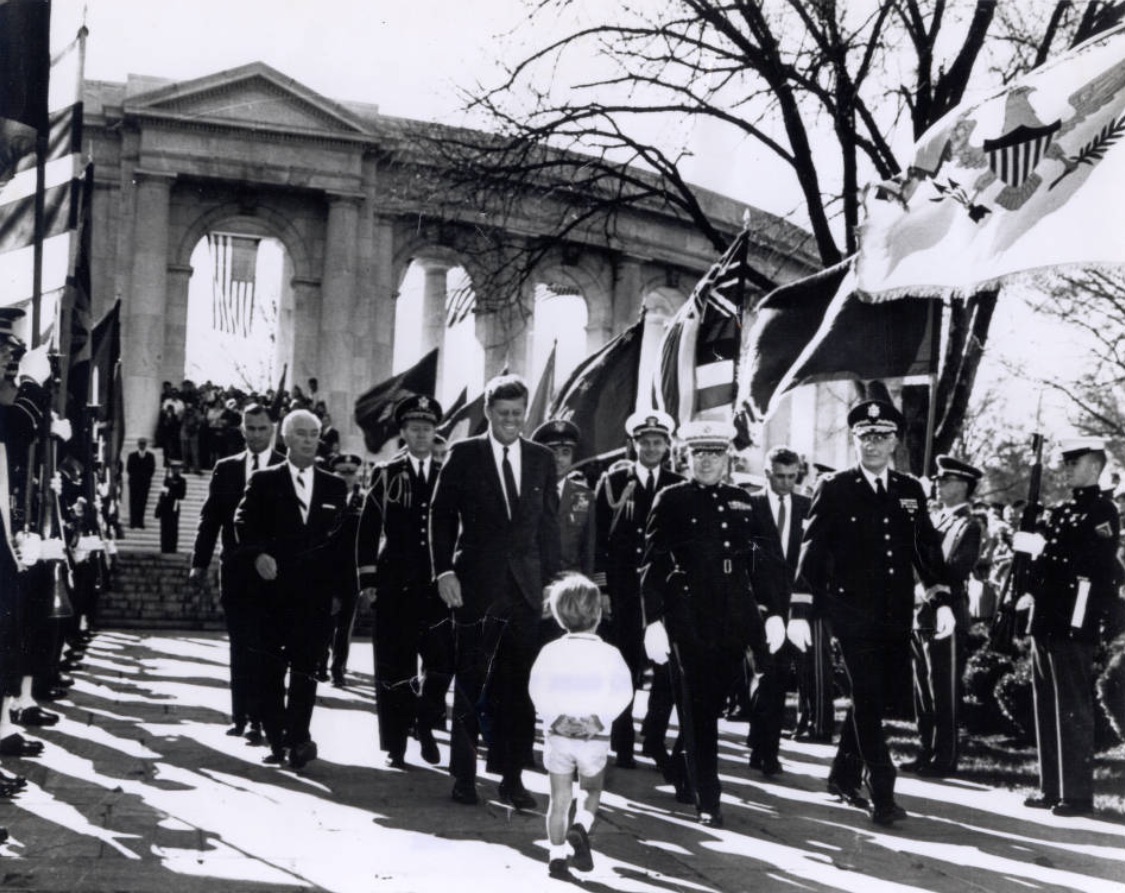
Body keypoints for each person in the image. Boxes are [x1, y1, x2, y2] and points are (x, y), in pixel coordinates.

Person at [790, 399, 953, 826]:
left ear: (895, 441)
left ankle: (842, 775)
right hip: (849, 612)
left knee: (874, 698)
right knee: (865, 693)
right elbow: (813, 551)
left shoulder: (909, 489)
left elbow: (925, 547)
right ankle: (882, 789)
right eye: (866, 436)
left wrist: (940, 597)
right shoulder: (836, 486)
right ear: (855, 439)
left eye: (882, 437)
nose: (874, 445)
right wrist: (800, 610)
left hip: (894, 612)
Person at [641, 420, 785, 826]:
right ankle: (710, 798)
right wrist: (653, 620)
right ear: (686, 457)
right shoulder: (671, 498)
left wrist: (774, 611)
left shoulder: (744, 501)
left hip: (734, 612)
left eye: (714, 454)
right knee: (699, 706)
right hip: (688, 611)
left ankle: (684, 770)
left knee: (712, 702)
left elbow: (763, 561)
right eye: (698, 454)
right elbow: (652, 562)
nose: (706, 462)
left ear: (727, 458)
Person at [430, 374, 560, 808]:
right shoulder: (464, 454)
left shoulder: (541, 458)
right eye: (503, 414)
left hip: (525, 590)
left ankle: (511, 778)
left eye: (518, 415)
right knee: (469, 681)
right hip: (474, 588)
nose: (511, 422)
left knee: (517, 687)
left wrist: (553, 586)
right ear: (487, 412)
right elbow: (441, 516)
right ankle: (464, 776)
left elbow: (549, 527)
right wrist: (443, 570)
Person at [233, 408, 351, 769]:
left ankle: (298, 737)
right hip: (271, 594)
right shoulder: (264, 480)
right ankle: (275, 737)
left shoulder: (335, 485)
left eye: (314, 433)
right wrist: (257, 555)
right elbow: (243, 521)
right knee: (271, 670)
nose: (308, 439)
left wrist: (340, 592)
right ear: (285, 437)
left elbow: (343, 543)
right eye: (300, 433)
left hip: (314, 597)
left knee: (306, 670)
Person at [1016, 437, 1120, 817]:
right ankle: (1051, 787)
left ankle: (1077, 794)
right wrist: (1027, 551)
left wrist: (1044, 551)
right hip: (1046, 615)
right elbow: (1043, 561)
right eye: (1066, 463)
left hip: (1075, 615)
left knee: (1072, 704)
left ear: (1094, 466)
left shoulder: (1103, 511)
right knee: (1046, 702)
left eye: (1074, 463)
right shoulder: (1061, 511)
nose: (1068, 469)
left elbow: (1096, 561)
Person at [358, 396, 452, 768]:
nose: (421, 435)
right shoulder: (386, 472)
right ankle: (395, 745)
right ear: (403, 432)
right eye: (414, 429)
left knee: (442, 661)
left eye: (428, 429)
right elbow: (368, 528)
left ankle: (425, 721)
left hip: (437, 585)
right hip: (395, 582)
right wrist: (368, 579)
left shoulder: (449, 472)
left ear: (435, 432)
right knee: (395, 666)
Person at [188, 403, 285, 744]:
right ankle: (241, 716)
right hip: (236, 572)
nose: (256, 434)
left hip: (275, 574)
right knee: (241, 644)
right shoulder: (226, 468)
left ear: (272, 429)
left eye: (262, 428)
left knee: (268, 646)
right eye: (250, 428)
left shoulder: (286, 467)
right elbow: (210, 518)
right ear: (242, 430)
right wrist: (199, 564)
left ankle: (262, 718)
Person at [594, 410, 682, 771]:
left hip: (664, 591)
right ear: (633, 444)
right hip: (625, 589)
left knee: (666, 667)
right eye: (644, 442)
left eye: (657, 442)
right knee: (624, 666)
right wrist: (602, 589)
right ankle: (623, 739)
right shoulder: (614, 481)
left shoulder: (678, 484)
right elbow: (599, 539)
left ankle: (655, 737)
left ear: (666, 446)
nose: (651, 447)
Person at [529, 573, 632, 880]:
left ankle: (556, 855)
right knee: (590, 789)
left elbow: (537, 688)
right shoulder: (610, 654)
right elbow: (624, 692)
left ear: (559, 617)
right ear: (599, 614)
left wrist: (555, 717)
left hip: (558, 735)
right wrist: (599, 719)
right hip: (593, 735)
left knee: (558, 799)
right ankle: (582, 826)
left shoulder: (550, 652)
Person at [905, 454, 984, 778]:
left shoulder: (969, 525)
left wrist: (927, 584)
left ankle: (945, 756)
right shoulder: (935, 519)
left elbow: (955, 568)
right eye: (938, 481)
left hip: (946, 613)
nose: (938, 485)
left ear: (963, 486)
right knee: (922, 689)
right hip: (922, 612)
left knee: (943, 689)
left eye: (945, 481)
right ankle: (926, 749)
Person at [745, 446, 822, 777]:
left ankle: (764, 746)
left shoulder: (807, 508)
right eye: (780, 476)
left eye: (793, 477)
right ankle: (764, 749)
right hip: (758, 605)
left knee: (776, 678)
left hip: (792, 608)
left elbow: (813, 560)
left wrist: (799, 608)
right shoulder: (749, 506)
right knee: (767, 673)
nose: (787, 483)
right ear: (767, 473)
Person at [320, 452, 365, 688]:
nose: (348, 476)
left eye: (351, 472)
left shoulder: (364, 500)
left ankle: (338, 670)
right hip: (327, 569)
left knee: (345, 624)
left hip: (351, 570)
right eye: (342, 472)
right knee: (325, 619)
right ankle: (321, 663)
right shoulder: (325, 496)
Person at [156, 461, 187, 553]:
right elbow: (163, 493)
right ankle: (164, 547)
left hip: (174, 505)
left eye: (177, 468)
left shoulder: (182, 481)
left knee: (173, 527)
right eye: (173, 468)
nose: (175, 470)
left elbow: (182, 495)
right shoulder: (167, 480)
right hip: (165, 505)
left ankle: (172, 548)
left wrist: (172, 491)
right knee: (164, 527)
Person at [125, 438, 156, 529]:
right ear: (138, 445)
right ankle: (133, 522)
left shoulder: (150, 456)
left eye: (143, 444)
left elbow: (152, 469)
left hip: (145, 483)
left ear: (145, 445)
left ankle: (140, 521)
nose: (142, 445)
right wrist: (136, 476)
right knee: (133, 501)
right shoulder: (132, 456)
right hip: (134, 482)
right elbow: (129, 468)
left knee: (142, 502)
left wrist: (145, 477)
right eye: (140, 444)